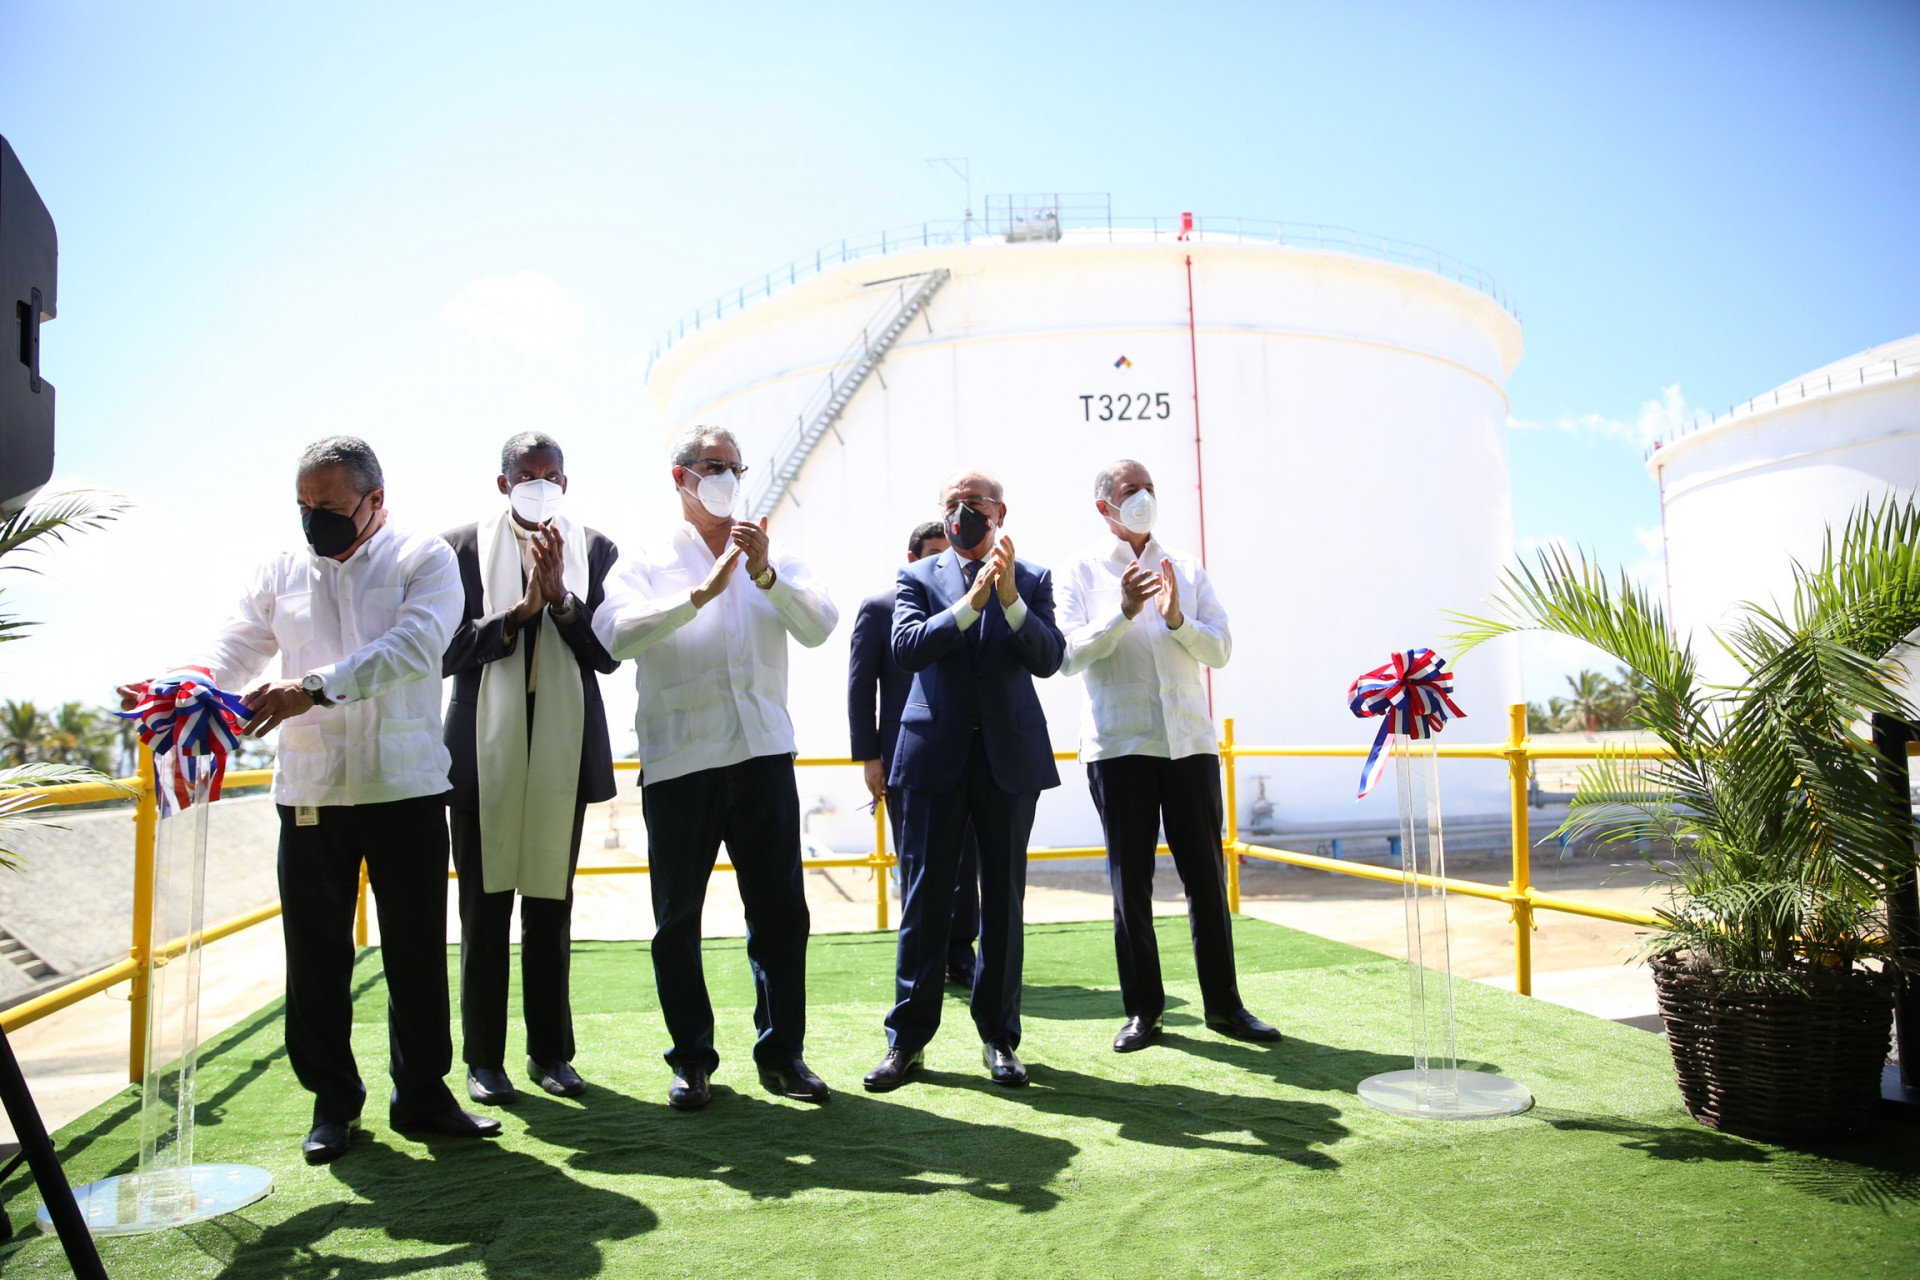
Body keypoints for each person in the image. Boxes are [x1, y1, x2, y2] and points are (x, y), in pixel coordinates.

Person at [120, 436, 493, 1165]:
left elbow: (417, 646)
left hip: (404, 787)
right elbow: (237, 645)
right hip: (310, 791)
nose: (313, 517)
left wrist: (313, 688)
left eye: (328, 505)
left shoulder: (424, 559)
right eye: (303, 505)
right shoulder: (280, 570)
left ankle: (422, 1092)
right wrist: (188, 682)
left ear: (375, 500)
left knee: (416, 950)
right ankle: (332, 1102)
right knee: (316, 955)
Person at [593, 424, 839, 1110]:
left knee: (780, 914)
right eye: (713, 465)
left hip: (763, 755)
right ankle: (691, 1059)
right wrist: (697, 596)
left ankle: (783, 1056)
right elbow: (613, 635)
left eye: (735, 466)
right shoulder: (644, 560)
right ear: (681, 477)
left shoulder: (773, 553)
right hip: (681, 761)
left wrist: (767, 577)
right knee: (677, 920)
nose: (727, 477)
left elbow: (820, 626)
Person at [1056, 459, 1280, 1052]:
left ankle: (1225, 1007)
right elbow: (1068, 655)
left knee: (1206, 880)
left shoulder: (1186, 566)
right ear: (1104, 505)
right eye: (1132, 490)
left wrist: (1178, 619)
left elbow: (1221, 649)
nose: (1144, 498)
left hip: (1189, 744)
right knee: (1130, 886)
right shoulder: (1079, 569)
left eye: (1150, 488)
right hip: (1119, 747)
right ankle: (1144, 1011)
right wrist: (1123, 612)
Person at [863, 470, 1064, 1093]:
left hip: (1009, 758)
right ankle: (907, 1040)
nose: (960, 513)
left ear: (999, 511)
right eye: (951, 503)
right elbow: (906, 649)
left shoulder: (1033, 578)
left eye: (972, 502)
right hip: (934, 757)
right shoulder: (918, 578)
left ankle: (1000, 1037)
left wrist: (1008, 600)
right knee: (925, 898)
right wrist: (969, 605)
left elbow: (1049, 658)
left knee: (1003, 899)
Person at [441, 431, 620, 1107]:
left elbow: (607, 653)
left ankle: (551, 1054)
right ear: (503, 483)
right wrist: (522, 611)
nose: (539, 486)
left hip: (561, 741)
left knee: (550, 904)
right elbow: (445, 650)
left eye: (550, 476)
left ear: (565, 484)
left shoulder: (595, 549)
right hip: (481, 746)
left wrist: (563, 601)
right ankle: (484, 1061)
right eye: (526, 476)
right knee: (484, 910)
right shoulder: (458, 549)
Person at [848, 519, 981, 989]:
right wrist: (870, 757)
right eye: (933, 553)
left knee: (966, 860)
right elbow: (861, 688)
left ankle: (960, 954)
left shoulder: (973, 603)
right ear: (912, 559)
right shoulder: (880, 608)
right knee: (917, 861)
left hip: (966, 751)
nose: (944, 561)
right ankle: (923, 958)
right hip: (906, 757)